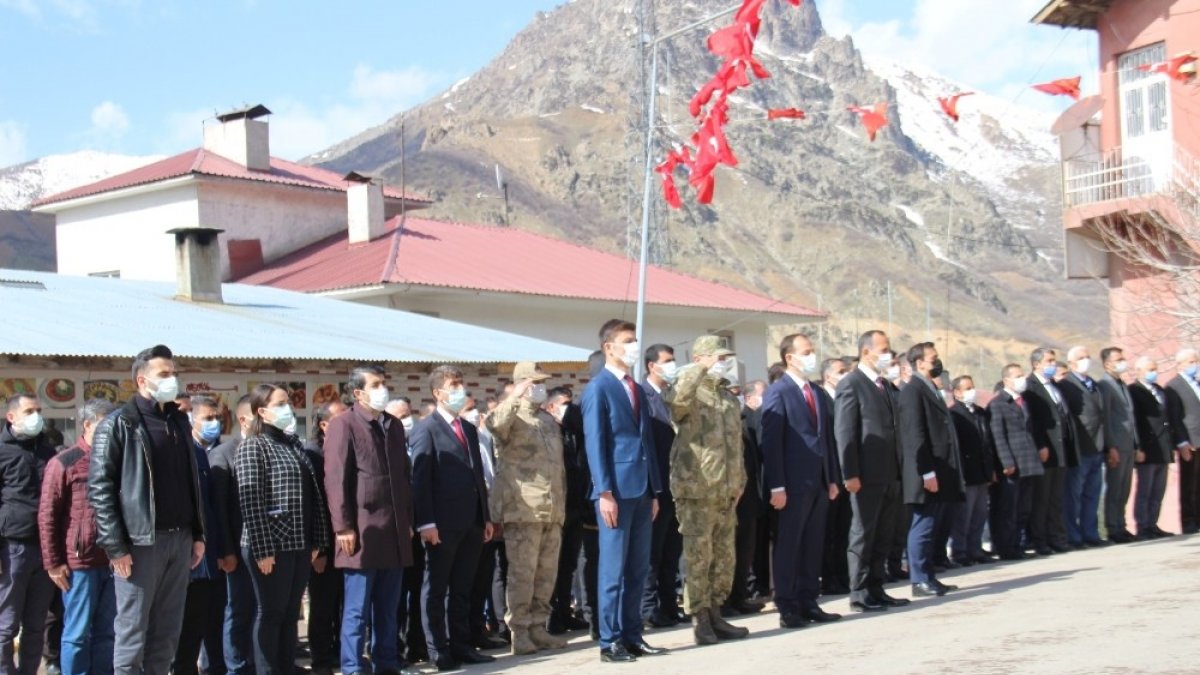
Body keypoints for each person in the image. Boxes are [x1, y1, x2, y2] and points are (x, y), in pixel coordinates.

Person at [88, 344, 207, 675]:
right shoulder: (119, 424)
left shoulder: (178, 421)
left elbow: (189, 481)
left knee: (166, 634)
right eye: (164, 374)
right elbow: (100, 488)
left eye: (174, 373)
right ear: (142, 380)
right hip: (140, 544)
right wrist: (115, 546)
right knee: (132, 633)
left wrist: (197, 534)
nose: (172, 379)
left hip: (179, 539)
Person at [323, 366, 416, 675]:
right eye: (375, 385)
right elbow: (336, 480)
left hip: (394, 531)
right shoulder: (344, 425)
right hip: (362, 531)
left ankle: (387, 664)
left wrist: (408, 521)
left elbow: (404, 477)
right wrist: (343, 527)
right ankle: (352, 667)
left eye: (383, 383)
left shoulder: (392, 425)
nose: (382, 389)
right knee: (356, 612)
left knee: (388, 609)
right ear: (358, 393)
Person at [581, 320, 664, 663]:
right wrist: (604, 492)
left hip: (642, 489)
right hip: (616, 490)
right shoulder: (599, 388)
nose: (633, 346)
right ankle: (609, 641)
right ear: (609, 348)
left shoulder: (636, 387)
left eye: (635, 340)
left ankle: (632, 634)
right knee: (612, 571)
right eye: (627, 341)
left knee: (638, 568)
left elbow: (647, 440)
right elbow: (595, 443)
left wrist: (655, 489)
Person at [236, 384, 330, 675]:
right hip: (270, 546)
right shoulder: (254, 445)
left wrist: (317, 539)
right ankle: (267, 669)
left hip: (299, 543)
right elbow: (251, 501)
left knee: (290, 614)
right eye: (281, 403)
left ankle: (285, 666)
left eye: (288, 402)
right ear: (262, 411)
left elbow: (311, 495)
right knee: (271, 613)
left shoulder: (293, 444)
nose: (288, 408)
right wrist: (263, 549)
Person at [666, 336, 749, 645]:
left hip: (725, 489)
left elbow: (735, 445)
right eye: (718, 357)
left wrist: (739, 480)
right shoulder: (689, 391)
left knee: (724, 556)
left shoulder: (727, 397)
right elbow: (676, 404)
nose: (724, 362)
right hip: (697, 489)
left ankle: (716, 612)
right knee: (699, 556)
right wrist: (698, 369)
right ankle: (700, 618)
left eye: (726, 357)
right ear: (701, 358)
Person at [411, 365, 495, 671]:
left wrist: (485, 517)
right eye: (453, 385)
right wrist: (426, 522)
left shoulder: (469, 428)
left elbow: (477, 475)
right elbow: (420, 479)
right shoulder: (427, 428)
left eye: (461, 384)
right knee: (436, 589)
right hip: (442, 524)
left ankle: (462, 645)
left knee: (463, 587)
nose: (459, 390)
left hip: (471, 521)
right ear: (438, 393)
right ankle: (438, 649)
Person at [485, 362, 567, 656]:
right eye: (535, 382)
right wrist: (514, 397)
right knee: (523, 574)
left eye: (542, 382)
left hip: (552, 509)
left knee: (546, 574)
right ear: (522, 384)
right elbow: (493, 424)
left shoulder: (546, 421)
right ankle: (519, 632)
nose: (540, 387)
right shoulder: (510, 417)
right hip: (523, 510)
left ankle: (538, 628)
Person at [759, 334, 841, 628]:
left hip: (818, 481)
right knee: (789, 545)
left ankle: (809, 600)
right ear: (789, 358)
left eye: (812, 351)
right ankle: (788, 605)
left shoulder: (816, 392)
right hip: (791, 484)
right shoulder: (778, 392)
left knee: (812, 543)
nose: (811, 356)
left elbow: (826, 438)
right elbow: (771, 442)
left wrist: (831, 477)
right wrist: (776, 485)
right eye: (806, 352)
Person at [39, 399, 116, 675]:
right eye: (107, 424)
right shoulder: (64, 462)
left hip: (115, 559)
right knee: (78, 633)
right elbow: (47, 514)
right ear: (88, 424)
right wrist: (53, 562)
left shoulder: (117, 458)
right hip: (80, 563)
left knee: (108, 632)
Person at [835, 331, 909, 613]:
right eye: (883, 349)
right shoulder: (851, 384)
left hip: (891, 472)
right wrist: (850, 472)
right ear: (866, 352)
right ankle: (859, 591)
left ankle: (877, 587)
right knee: (863, 533)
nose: (888, 354)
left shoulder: (885, 386)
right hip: (865, 475)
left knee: (884, 533)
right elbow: (845, 432)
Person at [898, 343, 964, 598]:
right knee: (922, 525)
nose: (937, 362)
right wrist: (926, 472)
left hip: (938, 468)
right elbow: (915, 434)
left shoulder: (930, 388)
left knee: (932, 525)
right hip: (925, 471)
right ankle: (919, 579)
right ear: (920, 363)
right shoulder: (912, 390)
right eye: (933, 358)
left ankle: (929, 575)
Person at [173, 396, 226, 675]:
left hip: (208, 555)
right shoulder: (177, 452)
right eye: (206, 418)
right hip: (179, 555)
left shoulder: (207, 453)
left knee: (205, 621)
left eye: (215, 417)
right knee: (179, 627)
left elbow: (212, 508)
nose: (213, 423)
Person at [209, 396, 255, 675]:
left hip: (268, 550)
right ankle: (236, 666)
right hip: (237, 549)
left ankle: (256, 662)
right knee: (238, 611)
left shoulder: (274, 448)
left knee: (262, 612)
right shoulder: (224, 453)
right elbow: (220, 509)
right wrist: (227, 550)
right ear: (244, 419)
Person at [303, 400, 348, 675]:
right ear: (324, 425)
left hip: (346, 542)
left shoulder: (342, 450)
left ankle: (339, 654)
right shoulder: (313, 454)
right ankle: (321, 660)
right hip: (324, 543)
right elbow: (315, 505)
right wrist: (318, 550)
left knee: (342, 603)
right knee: (322, 605)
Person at [640, 344, 684, 628]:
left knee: (672, 550)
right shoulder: (643, 397)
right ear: (651, 366)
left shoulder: (673, 396)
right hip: (655, 486)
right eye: (667, 361)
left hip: (677, 486)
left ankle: (669, 605)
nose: (672, 366)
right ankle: (648, 608)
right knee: (651, 553)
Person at [546, 387, 595, 636]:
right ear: (551, 407)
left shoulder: (574, 431)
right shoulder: (548, 432)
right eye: (565, 404)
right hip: (558, 505)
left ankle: (565, 612)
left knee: (568, 565)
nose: (571, 408)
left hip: (576, 504)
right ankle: (551, 616)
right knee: (552, 566)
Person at [987, 365, 1043, 560]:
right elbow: (998, 435)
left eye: (1022, 375)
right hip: (1012, 463)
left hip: (1028, 461)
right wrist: (1006, 461)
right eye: (1018, 376)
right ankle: (1006, 547)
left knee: (1023, 508)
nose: (1022, 379)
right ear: (1007, 380)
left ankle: (1018, 544)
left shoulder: (1023, 401)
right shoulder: (998, 403)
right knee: (1008, 508)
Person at [1024, 347, 1073, 554]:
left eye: (1054, 361)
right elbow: (1032, 420)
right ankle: (1039, 540)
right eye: (1049, 361)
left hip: (1060, 449)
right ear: (1037, 364)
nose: (1053, 365)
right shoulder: (1031, 387)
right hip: (1046, 449)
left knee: (1055, 497)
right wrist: (1040, 444)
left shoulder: (1053, 385)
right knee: (1041, 499)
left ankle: (1057, 538)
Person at [724, 379, 767, 617]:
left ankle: (740, 596)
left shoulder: (741, 425)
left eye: (736, 395)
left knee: (745, 550)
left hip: (748, 496)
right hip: (730, 497)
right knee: (728, 551)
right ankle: (726, 600)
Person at [1058, 346, 1107, 548]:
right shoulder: (1065, 385)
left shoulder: (1094, 385)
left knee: (1092, 494)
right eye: (1081, 358)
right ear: (1071, 363)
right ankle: (1073, 535)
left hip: (1098, 446)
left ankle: (1090, 533)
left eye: (1088, 357)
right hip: (1081, 448)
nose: (1086, 360)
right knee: (1073, 495)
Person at [948, 376, 996, 566]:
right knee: (963, 517)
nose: (971, 391)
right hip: (967, 473)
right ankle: (960, 551)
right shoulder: (955, 415)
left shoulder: (980, 413)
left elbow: (988, 444)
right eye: (967, 388)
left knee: (979, 514)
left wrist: (990, 470)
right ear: (957, 393)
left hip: (982, 471)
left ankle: (975, 549)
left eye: (972, 387)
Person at [1129, 357, 1175, 539]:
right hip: (1147, 448)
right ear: (1138, 371)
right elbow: (1136, 422)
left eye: (1154, 368)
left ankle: (1153, 523)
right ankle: (1142, 526)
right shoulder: (1134, 391)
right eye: (1149, 369)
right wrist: (1138, 447)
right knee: (1145, 490)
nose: (1153, 372)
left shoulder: (1159, 390)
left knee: (1158, 490)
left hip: (1164, 447)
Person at [1098, 347, 1137, 544]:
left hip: (1128, 444)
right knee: (1114, 488)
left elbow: (1129, 417)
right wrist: (1110, 446)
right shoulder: (1105, 385)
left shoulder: (1121, 384)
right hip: (1117, 445)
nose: (1123, 361)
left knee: (1125, 487)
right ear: (1107, 364)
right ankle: (1113, 528)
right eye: (1118, 359)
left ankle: (1121, 525)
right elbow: (1105, 417)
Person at [820, 358, 851, 596]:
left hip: (847, 473)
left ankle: (842, 575)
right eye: (841, 372)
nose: (845, 375)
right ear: (828, 376)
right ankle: (829, 577)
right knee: (828, 531)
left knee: (844, 529)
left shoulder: (845, 397)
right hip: (830, 475)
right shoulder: (823, 399)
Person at [1165, 348, 1200, 534]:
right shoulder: (1174, 386)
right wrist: (1182, 442)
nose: (1195, 364)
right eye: (1191, 361)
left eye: (1196, 361)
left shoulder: (1196, 383)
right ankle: (1188, 521)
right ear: (1180, 364)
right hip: (1189, 441)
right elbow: (1175, 417)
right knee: (1189, 483)